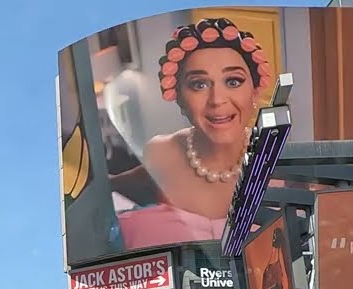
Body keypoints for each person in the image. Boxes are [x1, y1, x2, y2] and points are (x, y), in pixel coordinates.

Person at [109, 17, 273, 249]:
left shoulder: (279, 164)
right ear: (180, 99)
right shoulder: (161, 152)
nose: (217, 100)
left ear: (255, 92)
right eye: (199, 84)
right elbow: (124, 184)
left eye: (233, 81)